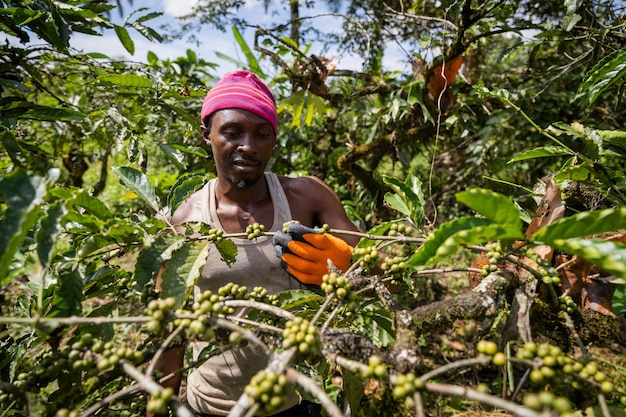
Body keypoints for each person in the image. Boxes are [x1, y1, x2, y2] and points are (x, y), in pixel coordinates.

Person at [150, 70, 361, 417]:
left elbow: (380, 267)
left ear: (274, 140)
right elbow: (170, 329)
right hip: (208, 406)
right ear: (207, 135)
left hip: (295, 402)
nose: (248, 146)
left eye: (262, 134)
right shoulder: (179, 220)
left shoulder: (305, 197)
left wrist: (346, 260)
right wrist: (156, 406)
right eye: (232, 133)